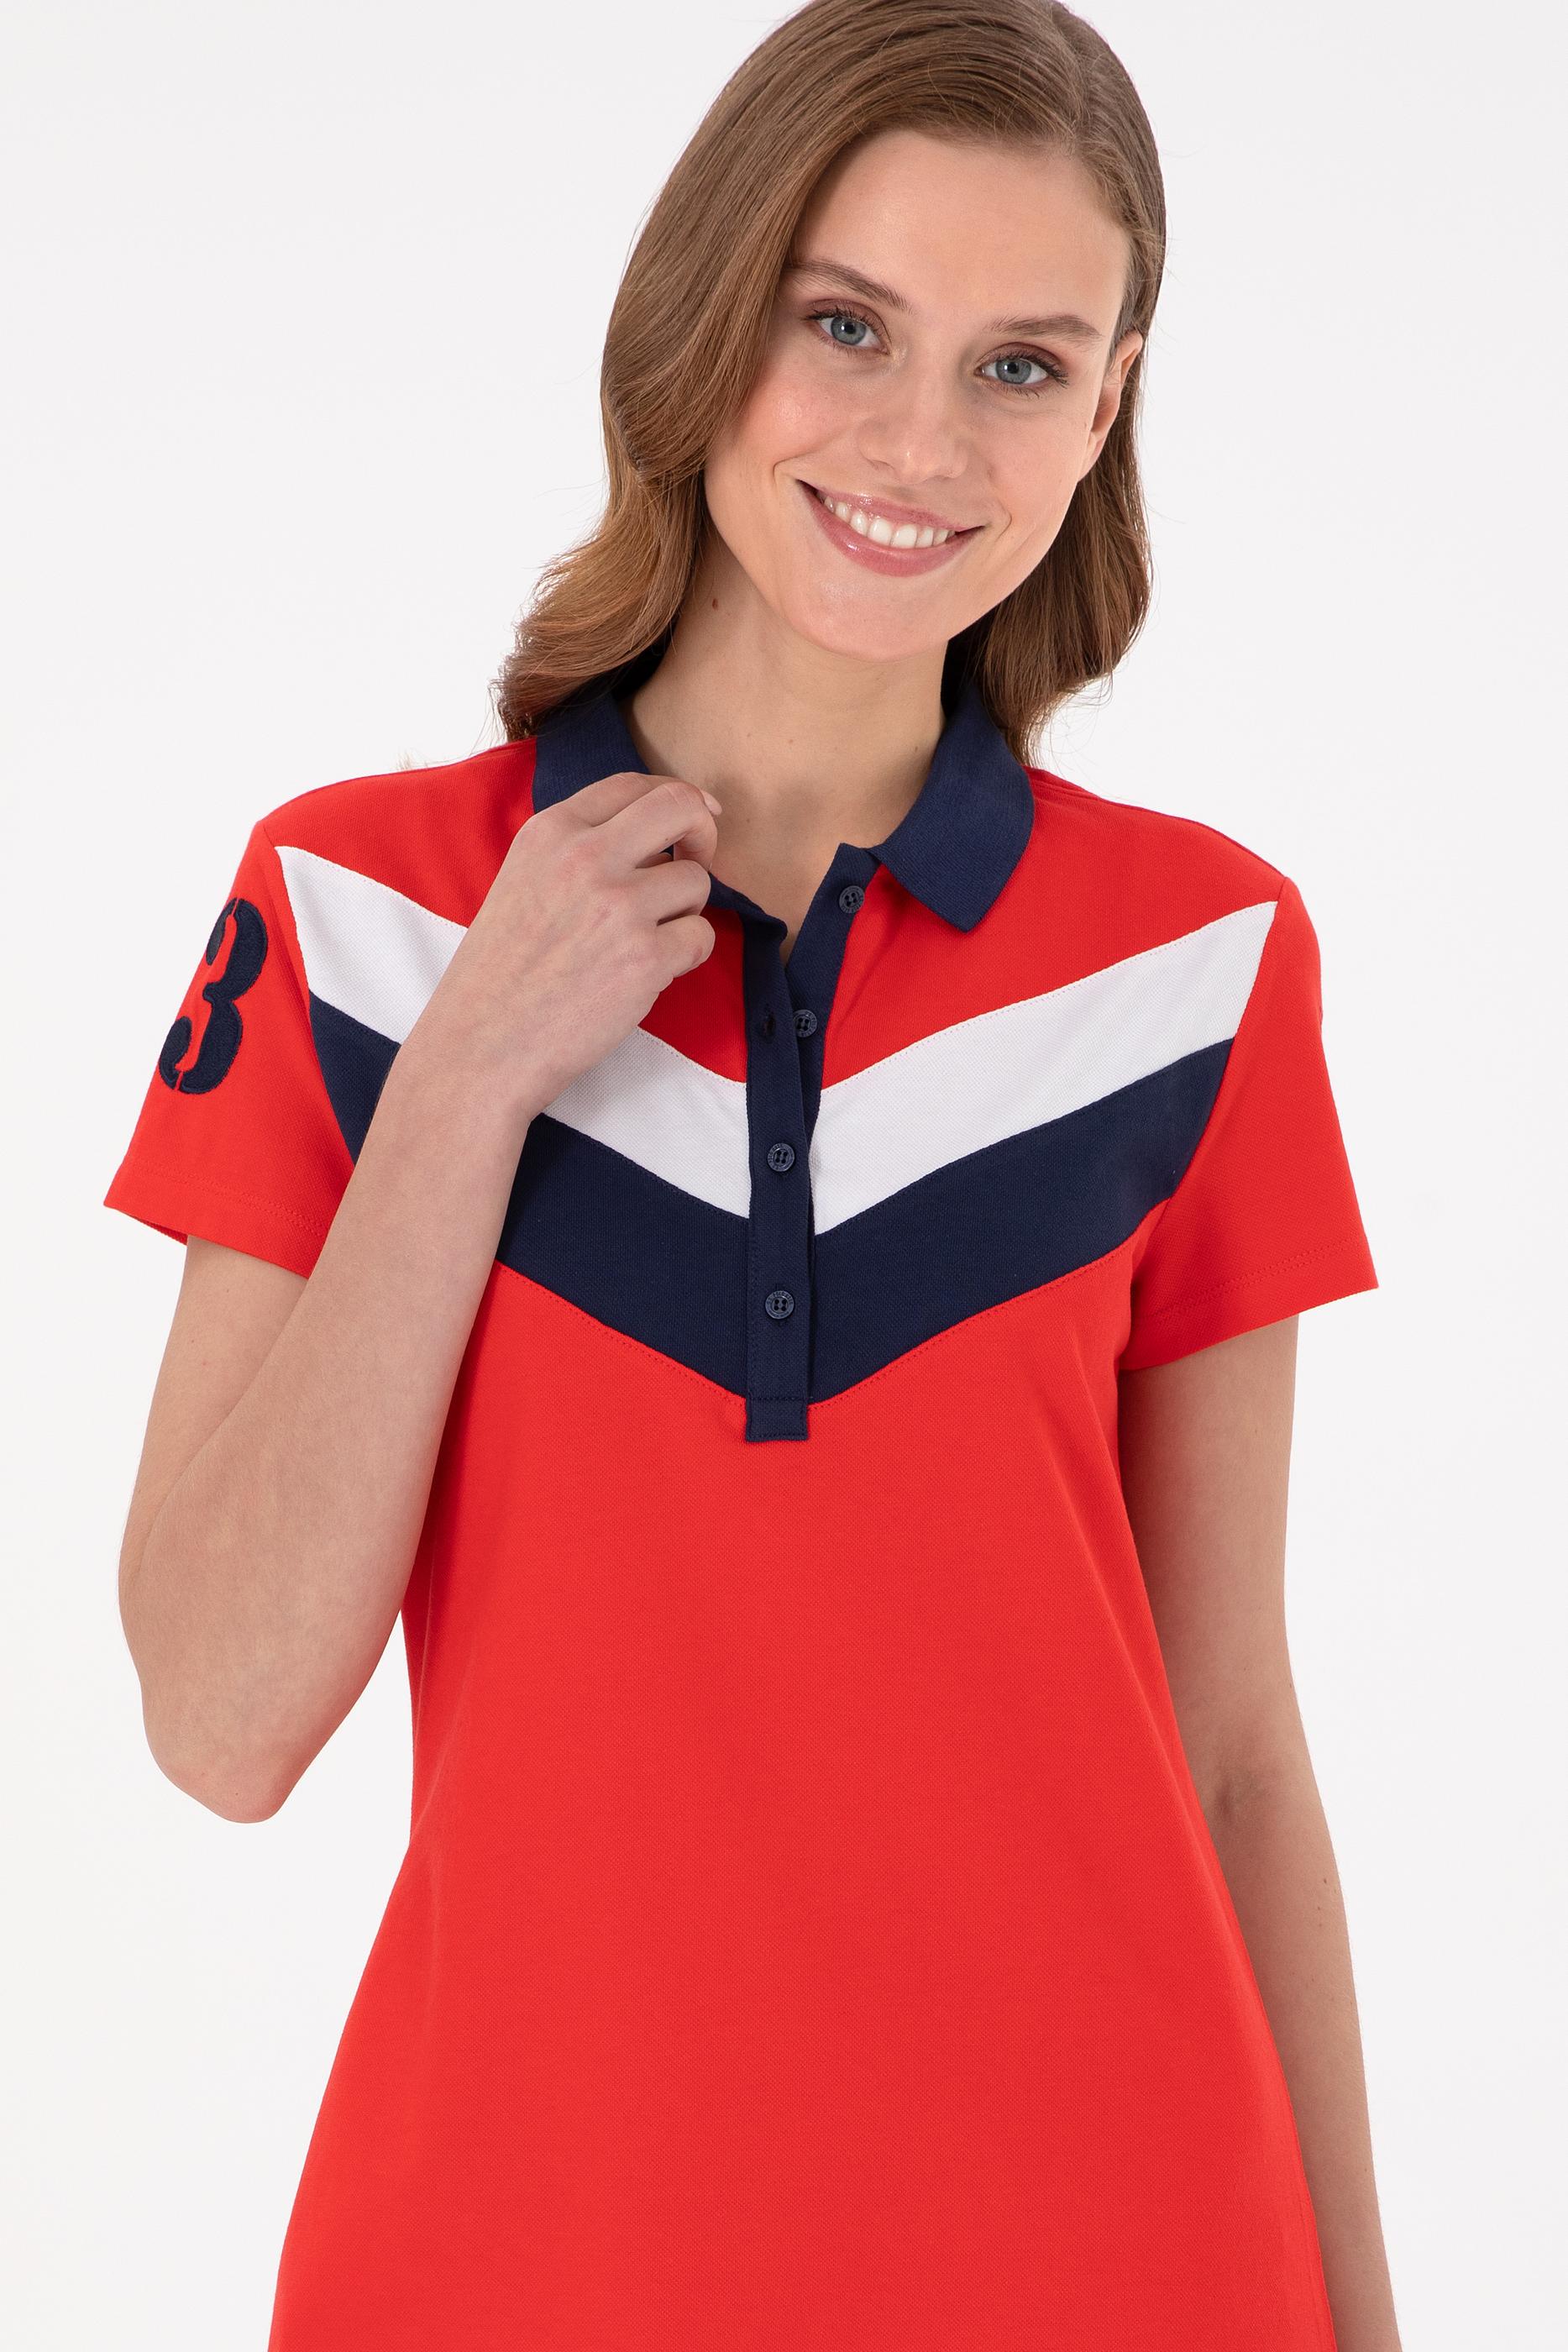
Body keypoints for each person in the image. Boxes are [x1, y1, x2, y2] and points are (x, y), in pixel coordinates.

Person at [102, 2, 1402, 2345]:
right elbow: (218, 1715)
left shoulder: (1199, 965)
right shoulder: (362, 918)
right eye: (847, 324)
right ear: (707, 321)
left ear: (1105, 407)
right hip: (515, 2267)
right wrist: (469, 1077)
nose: (920, 443)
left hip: (1117, 2265)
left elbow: (1229, 1748)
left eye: (1022, 366)